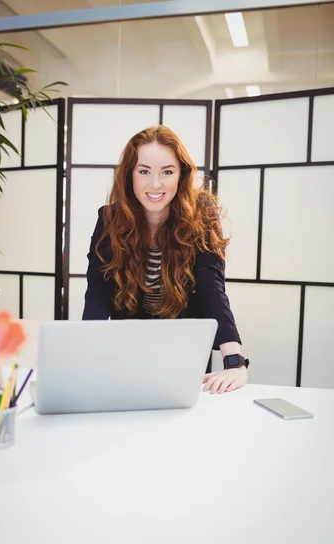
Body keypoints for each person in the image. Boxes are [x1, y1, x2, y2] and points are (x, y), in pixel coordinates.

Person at [82, 125, 249, 394]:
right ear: (130, 176)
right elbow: (98, 295)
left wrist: (234, 362)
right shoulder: (109, 220)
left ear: (181, 175)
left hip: (184, 355)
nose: (155, 184)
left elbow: (211, 289)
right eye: (144, 171)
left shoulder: (202, 217)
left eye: (167, 172)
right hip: (126, 351)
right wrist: (85, 357)